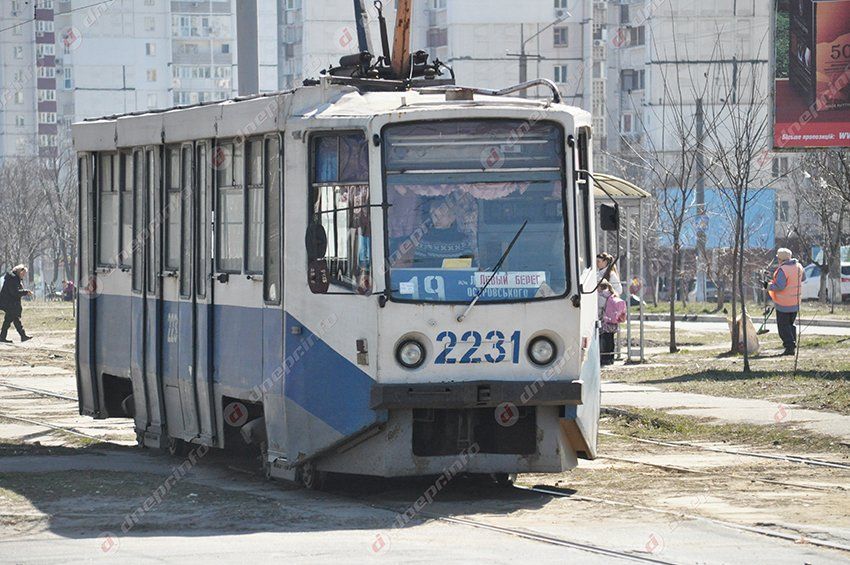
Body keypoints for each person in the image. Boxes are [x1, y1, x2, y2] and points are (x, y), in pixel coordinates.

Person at [412, 197, 475, 268]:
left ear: (452, 217)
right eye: (434, 215)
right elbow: (418, 267)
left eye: (442, 215)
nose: (437, 219)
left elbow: (469, 265)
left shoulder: (463, 241)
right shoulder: (424, 240)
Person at [766, 248, 806, 356]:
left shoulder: (783, 270)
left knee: (783, 327)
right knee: (790, 324)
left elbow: (780, 286)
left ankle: (789, 347)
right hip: (795, 301)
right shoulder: (799, 266)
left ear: (780, 259)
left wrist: (767, 286)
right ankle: (792, 346)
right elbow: (803, 278)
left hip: (784, 303)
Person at [0, 265, 34, 344]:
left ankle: (22, 336)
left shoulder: (14, 278)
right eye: (23, 273)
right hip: (9, 302)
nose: (24, 275)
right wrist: (26, 292)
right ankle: (3, 337)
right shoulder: (13, 278)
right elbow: (14, 292)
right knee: (9, 320)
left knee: (15, 319)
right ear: (20, 271)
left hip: (9, 302)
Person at [598, 280, 626, 365]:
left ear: (600, 287)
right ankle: (611, 359)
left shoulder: (602, 296)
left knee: (604, 340)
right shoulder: (613, 294)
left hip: (605, 322)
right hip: (613, 322)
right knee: (610, 340)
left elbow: (599, 307)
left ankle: (604, 358)